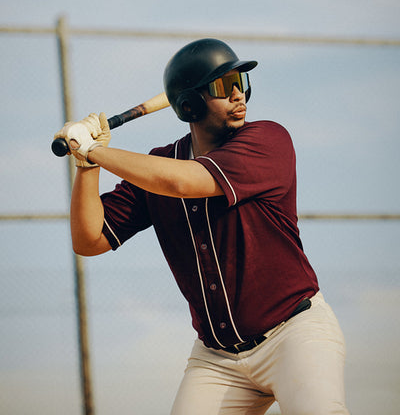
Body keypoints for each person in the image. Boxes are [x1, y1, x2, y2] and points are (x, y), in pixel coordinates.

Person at [55, 38, 349, 415]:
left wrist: (94, 148)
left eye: (241, 83)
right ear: (189, 104)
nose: (239, 96)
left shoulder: (268, 140)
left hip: (293, 334)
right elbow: (89, 239)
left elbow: (182, 182)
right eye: (224, 88)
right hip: (218, 357)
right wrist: (86, 166)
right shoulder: (160, 164)